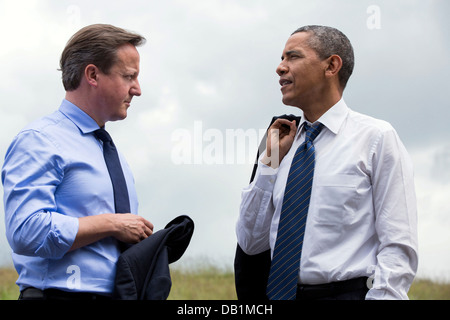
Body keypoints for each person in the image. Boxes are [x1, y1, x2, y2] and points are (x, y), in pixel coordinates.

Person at [236, 25, 418, 300]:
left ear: (331, 65)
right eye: (281, 58)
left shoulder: (377, 138)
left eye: (292, 57)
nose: (280, 68)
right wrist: (268, 164)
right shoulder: (280, 142)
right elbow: (251, 244)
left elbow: (398, 245)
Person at [2, 24, 154, 300]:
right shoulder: (39, 140)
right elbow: (25, 230)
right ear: (93, 75)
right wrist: (112, 224)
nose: (138, 89)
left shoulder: (109, 151)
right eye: (129, 76)